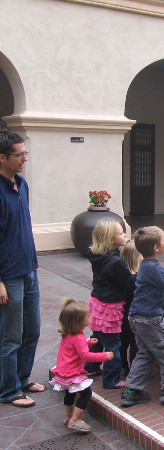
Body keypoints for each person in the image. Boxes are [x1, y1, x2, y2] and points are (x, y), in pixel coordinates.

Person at [121, 226, 164, 407]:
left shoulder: (145, 266)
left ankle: (132, 390)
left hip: (136, 317)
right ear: (156, 248)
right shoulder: (154, 268)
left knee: (144, 353)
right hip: (150, 319)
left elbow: (163, 289)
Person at [0, 129, 45, 408]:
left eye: (25, 153)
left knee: (33, 329)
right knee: (10, 336)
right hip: (9, 275)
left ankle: (22, 378)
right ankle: (8, 390)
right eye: (19, 155)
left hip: (29, 269)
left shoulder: (22, 184)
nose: (24, 159)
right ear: (2, 157)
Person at [49, 299, 114, 433]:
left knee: (69, 394)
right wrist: (104, 356)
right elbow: (85, 356)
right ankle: (75, 419)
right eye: (87, 316)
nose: (89, 318)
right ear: (79, 321)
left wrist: (88, 343)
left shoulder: (68, 334)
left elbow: (74, 350)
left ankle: (68, 416)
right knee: (86, 394)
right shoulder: (78, 337)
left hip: (63, 371)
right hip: (73, 373)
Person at [84, 219, 131, 389]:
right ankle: (112, 379)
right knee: (113, 345)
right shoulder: (116, 262)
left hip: (97, 303)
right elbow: (128, 281)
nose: (124, 234)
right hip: (110, 307)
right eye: (120, 233)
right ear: (111, 240)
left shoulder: (97, 255)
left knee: (97, 338)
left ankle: (90, 366)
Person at [118, 241, 142, 377]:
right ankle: (134, 369)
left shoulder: (122, 276)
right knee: (134, 343)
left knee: (122, 343)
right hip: (133, 316)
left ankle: (122, 366)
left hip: (121, 315)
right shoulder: (136, 279)